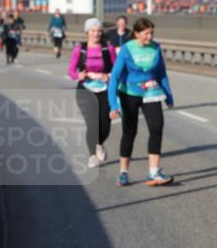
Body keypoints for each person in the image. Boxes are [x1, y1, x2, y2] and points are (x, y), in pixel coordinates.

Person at [108, 17, 174, 187]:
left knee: (157, 127)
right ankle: (123, 172)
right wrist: (113, 104)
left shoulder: (156, 48)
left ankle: (153, 172)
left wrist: (168, 95)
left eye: (152, 33)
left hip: (151, 91)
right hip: (129, 93)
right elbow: (114, 77)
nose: (150, 37)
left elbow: (161, 74)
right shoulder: (126, 49)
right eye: (146, 34)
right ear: (136, 33)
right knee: (130, 132)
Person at [69, 18, 116, 168]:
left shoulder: (107, 48)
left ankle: (99, 144)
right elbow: (71, 71)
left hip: (104, 90)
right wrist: (78, 76)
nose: (96, 33)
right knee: (92, 124)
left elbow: (116, 68)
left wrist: (107, 76)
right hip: (85, 90)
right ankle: (92, 156)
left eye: (98, 31)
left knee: (105, 125)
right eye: (92, 30)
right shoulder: (80, 49)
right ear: (87, 32)